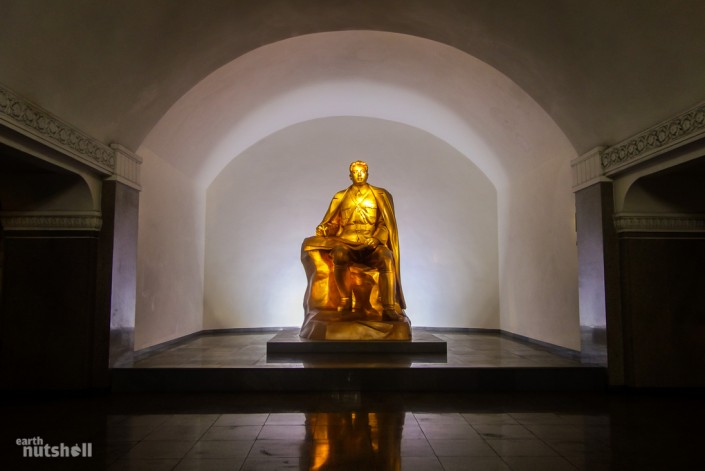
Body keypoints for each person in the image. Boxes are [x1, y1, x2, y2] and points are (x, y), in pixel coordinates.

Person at [305, 161, 406, 321]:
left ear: (367, 174)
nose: (359, 175)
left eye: (362, 172)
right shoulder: (340, 196)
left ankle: (388, 308)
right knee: (339, 255)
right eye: (355, 172)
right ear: (350, 175)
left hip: (371, 243)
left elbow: (384, 224)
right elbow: (334, 223)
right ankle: (345, 300)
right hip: (347, 242)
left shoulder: (380, 195)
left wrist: (377, 238)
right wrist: (326, 229)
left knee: (386, 257)